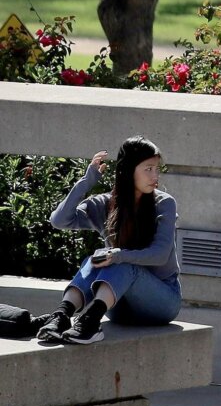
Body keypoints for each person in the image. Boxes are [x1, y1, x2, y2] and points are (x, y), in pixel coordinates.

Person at [39, 136, 180, 344]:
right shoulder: (105, 204)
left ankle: (90, 322)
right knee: (94, 260)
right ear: (128, 170)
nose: (155, 175)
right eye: (148, 169)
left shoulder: (164, 203)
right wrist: (86, 182)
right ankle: (61, 315)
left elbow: (159, 255)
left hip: (162, 302)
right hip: (117, 306)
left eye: (156, 168)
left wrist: (118, 256)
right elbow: (60, 220)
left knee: (121, 262)